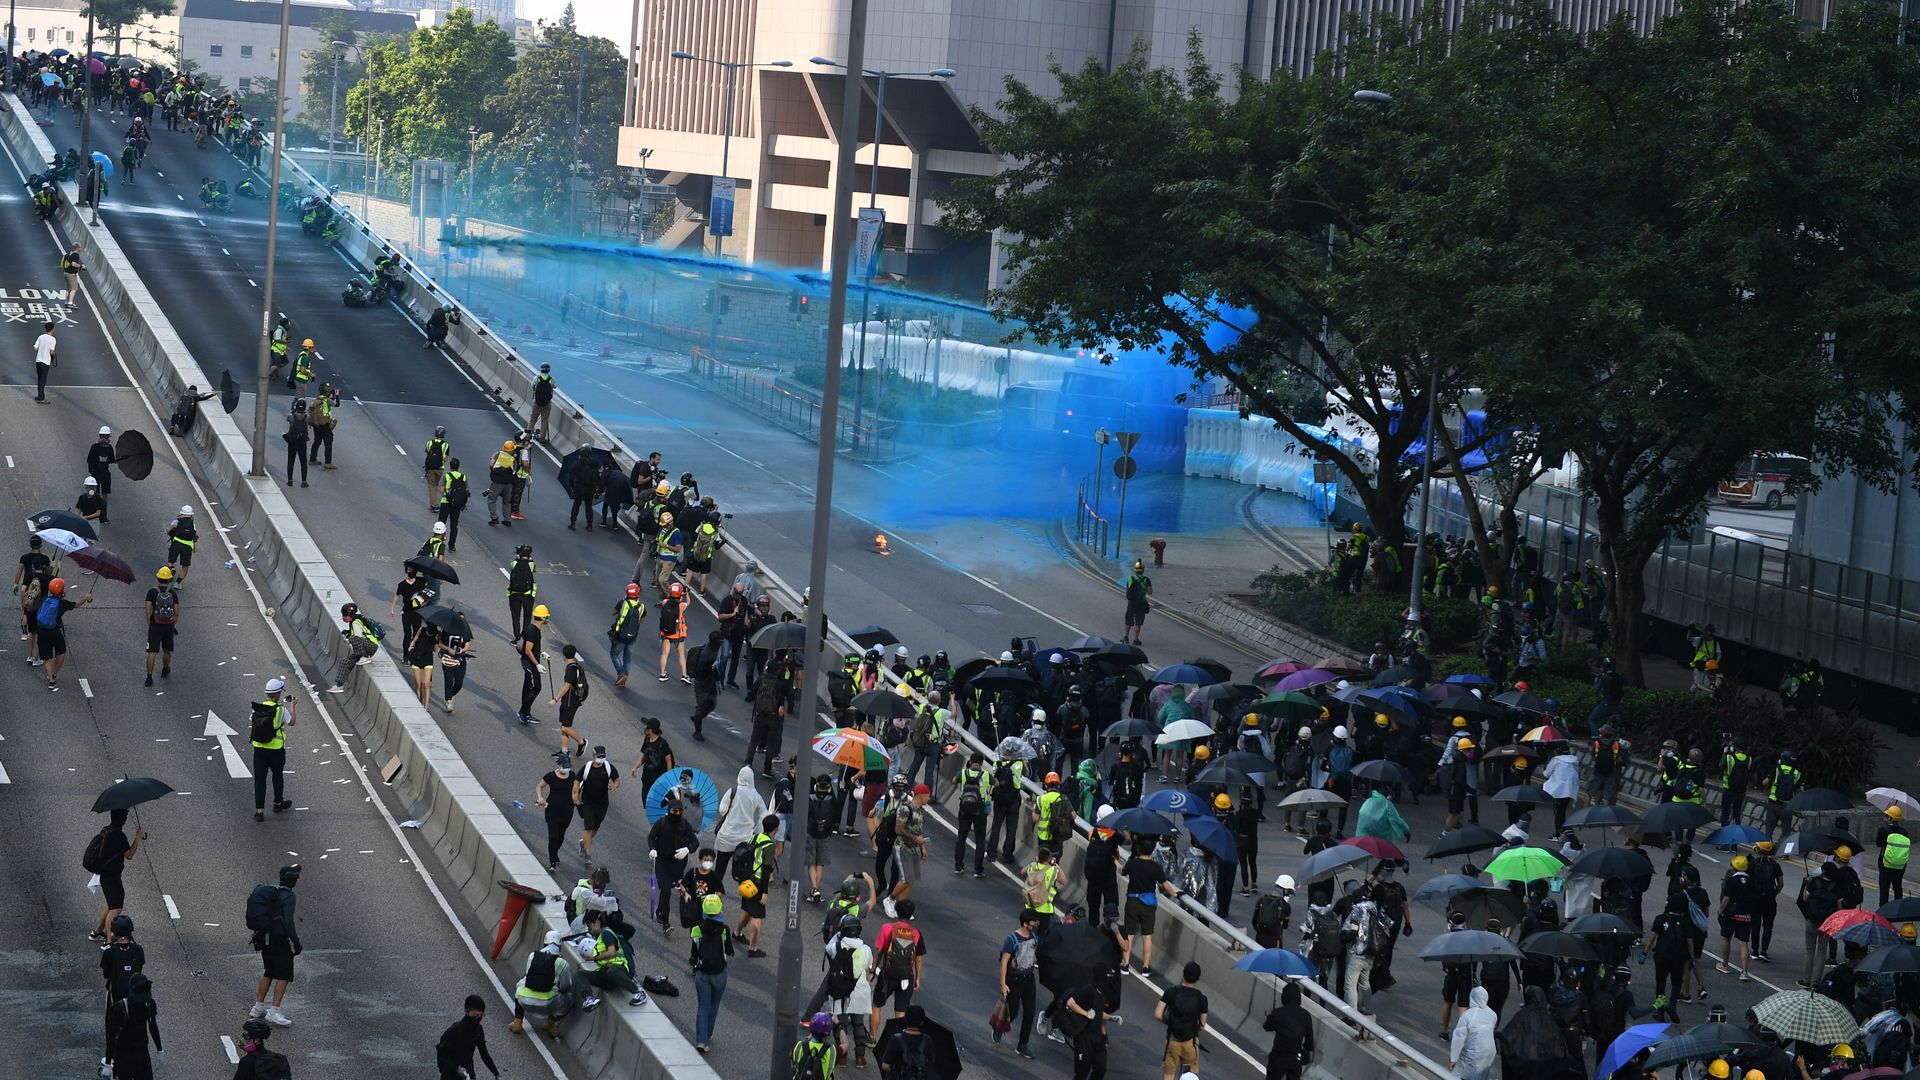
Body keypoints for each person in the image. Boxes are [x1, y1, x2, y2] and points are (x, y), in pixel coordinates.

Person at [250, 864, 301, 1027]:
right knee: (284, 975)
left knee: (269, 971)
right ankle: (274, 1011)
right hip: (279, 940)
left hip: (265, 938)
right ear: (293, 880)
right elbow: (288, 921)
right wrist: (295, 942)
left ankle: (257, 1007)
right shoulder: (288, 896)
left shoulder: (273, 893)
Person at [1121, 841, 1180, 975]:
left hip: (1132, 901)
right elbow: (1165, 886)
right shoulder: (1155, 867)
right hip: (1148, 904)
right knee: (1147, 936)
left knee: (1129, 934)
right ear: (1152, 850)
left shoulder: (1132, 863)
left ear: (1138, 849)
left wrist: (1131, 858)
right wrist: (1176, 894)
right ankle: (1145, 967)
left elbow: (1122, 872)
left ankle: (1125, 964)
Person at [87, 809, 142, 941]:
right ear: (122, 819)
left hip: (105, 873)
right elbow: (129, 855)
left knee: (112, 904)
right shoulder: (118, 835)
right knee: (116, 907)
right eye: (125, 816)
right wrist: (138, 838)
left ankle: (96, 932)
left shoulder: (107, 830)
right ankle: (109, 941)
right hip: (111, 876)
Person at [688, 892, 733, 1053]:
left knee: (703, 1006)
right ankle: (708, 1034)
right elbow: (729, 951)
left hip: (702, 973)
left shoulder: (696, 930)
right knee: (714, 1004)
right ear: (720, 910)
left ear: (704, 911)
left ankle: (701, 1040)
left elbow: (694, 955)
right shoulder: (725, 930)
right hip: (720, 973)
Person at [509, 930, 574, 1039]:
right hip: (548, 1003)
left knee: (521, 984)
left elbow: (528, 976)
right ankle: (550, 1024)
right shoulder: (562, 963)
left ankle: (517, 1022)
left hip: (523, 999)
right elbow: (565, 986)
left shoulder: (532, 956)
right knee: (570, 998)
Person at [997, 908, 1042, 1059]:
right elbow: (1004, 963)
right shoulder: (1012, 939)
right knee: (1013, 1011)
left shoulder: (1035, 938)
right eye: (1033, 921)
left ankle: (1022, 1045)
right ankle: (999, 1026)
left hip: (1029, 979)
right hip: (1014, 980)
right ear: (1025, 923)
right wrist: (1003, 983)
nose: (1036, 923)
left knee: (1030, 1013)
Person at [579, 909, 646, 1010]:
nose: (589, 930)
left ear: (597, 922)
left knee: (612, 971)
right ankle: (589, 999)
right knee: (580, 974)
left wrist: (594, 958)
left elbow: (611, 952)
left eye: (589, 926)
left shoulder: (606, 933)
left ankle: (638, 992)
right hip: (606, 975)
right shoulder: (598, 937)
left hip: (619, 970)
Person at [36, 575, 94, 689]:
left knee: (47, 657)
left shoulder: (44, 599)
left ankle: (51, 680)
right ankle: (54, 673)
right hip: (54, 632)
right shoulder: (62, 604)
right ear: (60, 591)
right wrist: (86, 597)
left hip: (42, 632)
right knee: (61, 651)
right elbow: (76, 604)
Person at [649, 795, 697, 932]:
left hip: (677, 865)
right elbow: (652, 837)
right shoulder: (661, 823)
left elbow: (695, 842)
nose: (677, 814)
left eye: (680, 811)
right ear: (669, 810)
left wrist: (687, 849)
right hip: (662, 863)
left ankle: (659, 910)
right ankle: (666, 923)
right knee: (665, 891)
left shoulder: (684, 825)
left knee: (667, 890)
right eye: (674, 811)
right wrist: (652, 849)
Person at [250, 678, 296, 820]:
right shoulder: (281, 710)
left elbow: (252, 719)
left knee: (260, 780)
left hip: (259, 749)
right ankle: (277, 803)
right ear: (278, 694)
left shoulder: (258, 708)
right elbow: (292, 722)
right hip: (276, 750)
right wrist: (293, 706)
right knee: (277, 776)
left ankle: (259, 811)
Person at [103, 973, 162, 1080]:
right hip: (126, 1055)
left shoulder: (147, 1004)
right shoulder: (121, 1008)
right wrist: (108, 1063)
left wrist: (160, 1050)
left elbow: (111, 1037)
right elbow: (111, 1036)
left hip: (137, 1053)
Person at [1156, 961, 1208, 1079]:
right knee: (1186, 1074)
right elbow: (1202, 1024)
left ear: (1183, 975)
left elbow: (1158, 1014)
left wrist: (1170, 1023)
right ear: (1198, 978)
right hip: (1190, 1042)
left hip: (1173, 1040)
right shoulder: (1201, 998)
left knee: (1169, 1073)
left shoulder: (1171, 992)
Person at [571, 745, 619, 867]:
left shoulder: (608, 767)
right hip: (588, 802)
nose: (601, 759)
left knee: (595, 827)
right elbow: (577, 781)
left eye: (603, 756)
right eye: (599, 756)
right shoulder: (586, 768)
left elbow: (617, 780)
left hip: (602, 803)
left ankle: (584, 843)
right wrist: (575, 795)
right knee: (588, 828)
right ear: (593, 756)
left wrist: (614, 786)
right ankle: (588, 854)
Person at [434, 995, 499, 1080]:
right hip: (450, 1075)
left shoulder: (478, 1030)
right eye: (475, 1015)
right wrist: (457, 1068)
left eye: (481, 1016)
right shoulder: (454, 1031)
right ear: (466, 1011)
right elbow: (442, 1055)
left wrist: (497, 1074)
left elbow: (484, 1054)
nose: (478, 1018)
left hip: (468, 1073)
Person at [324, 603, 381, 694]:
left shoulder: (356, 622)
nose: (344, 618)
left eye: (345, 615)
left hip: (370, 646)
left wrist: (348, 639)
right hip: (364, 647)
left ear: (350, 615)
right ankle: (339, 686)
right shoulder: (354, 621)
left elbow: (358, 637)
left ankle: (365, 657)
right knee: (345, 661)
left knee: (353, 638)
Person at [534, 752, 576, 873]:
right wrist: (540, 798)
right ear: (558, 764)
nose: (566, 768)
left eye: (568, 766)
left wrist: (576, 800)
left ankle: (554, 852)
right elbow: (539, 786)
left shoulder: (572, 775)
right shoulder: (551, 776)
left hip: (567, 811)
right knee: (553, 836)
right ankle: (553, 862)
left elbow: (576, 790)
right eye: (564, 765)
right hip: (552, 810)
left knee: (561, 836)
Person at [1264, 980, 1314, 1080]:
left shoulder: (1279, 1012)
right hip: (1295, 1057)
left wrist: (1270, 1016)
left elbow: (1267, 1027)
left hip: (1279, 1056)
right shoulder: (1305, 1015)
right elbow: (1309, 1042)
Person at [140, 567, 181, 688]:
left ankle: (149, 677)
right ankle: (165, 669)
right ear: (169, 579)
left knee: (152, 651)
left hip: (155, 625)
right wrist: (173, 624)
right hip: (168, 625)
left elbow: (148, 611)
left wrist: (151, 624)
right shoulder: (173, 593)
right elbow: (177, 612)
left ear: (158, 578)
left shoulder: (152, 592)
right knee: (167, 650)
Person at [1449, 986, 1497, 1080]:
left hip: (1473, 1052)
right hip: (1490, 1052)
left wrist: (1453, 1059)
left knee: (1459, 1073)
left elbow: (1458, 1038)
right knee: (1481, 1075)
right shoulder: (1492, 1014)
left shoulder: (1467, 1015)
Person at [549, 645, 589, 758]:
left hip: (571, 701)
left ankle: (582, 741)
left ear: (563, 654)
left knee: (565, 727)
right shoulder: (575, 666)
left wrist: (555, 700)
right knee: (563, 724)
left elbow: (567, 687)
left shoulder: (571, 669)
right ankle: (564, 751)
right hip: (569, 699)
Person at [877, 1004, 935, 1080]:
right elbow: (931, 1060)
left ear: (905, 1019)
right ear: (922, 1022)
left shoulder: (895, 1039)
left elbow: (885, 1066)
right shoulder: (927, 1040)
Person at [608, 582, 644, 689]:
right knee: (627, 658)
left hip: (621, 635)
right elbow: (641, 620)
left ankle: (621, 674)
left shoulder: (623, 603)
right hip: (633, 636)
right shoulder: (641, 606)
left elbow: (613, 612)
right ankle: (623, 679)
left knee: (614, 654)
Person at [517, 605, 549, 723]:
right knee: (536, 687)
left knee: (527, 687)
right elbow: (527, 650)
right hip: (529, 664)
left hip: (530, 662)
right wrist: (537, 665)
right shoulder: (533, 631)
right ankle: (523, 712)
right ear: (543, 618)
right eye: (546, 617)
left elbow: (532, 647)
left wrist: (541, 653)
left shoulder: (533, 628)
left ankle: (526, 712)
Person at [791, 1013, 839, 1080]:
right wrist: (838, 1024)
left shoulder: (799, 1046)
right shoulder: (832, 1050)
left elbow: (793, 1061)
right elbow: (845, 1044)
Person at [1880, 805, 1911, 904]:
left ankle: (1883, 910)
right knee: (1897, 887)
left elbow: (1878, 844)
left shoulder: (1883, 830)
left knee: (1884, 887)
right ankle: (1898, 907)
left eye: (1887, 815)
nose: (1885, 817)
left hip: (1885, 862)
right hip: (1900, 865)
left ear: (1890, 818)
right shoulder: (1904, 831)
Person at [86, 426, 116, 521]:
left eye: (106, 437)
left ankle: (103, 514)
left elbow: (111, 459)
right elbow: (89, 459)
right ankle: (93, 512)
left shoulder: (109, 448)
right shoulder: (95, 447)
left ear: (109, 437)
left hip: (105, 473)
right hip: (96, 473)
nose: (103, 439)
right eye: (102, 436)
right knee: (95, 493)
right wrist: (97, 465)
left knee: (105, 494)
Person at [307, 383, 338, 470]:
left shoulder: (317, 399)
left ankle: (312, 459)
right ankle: (328, 462)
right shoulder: (327, 400)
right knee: (328, 442)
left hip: (316, 424)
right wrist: (337, 396)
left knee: (317, 441)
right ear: (326, 392)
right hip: (324, 424)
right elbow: (337, 404)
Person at [1121, 559, 1152, 644]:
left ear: (1135, 570)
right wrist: (1144, 588)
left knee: (1128, 620)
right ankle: (1136, 639)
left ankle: (1126, 637)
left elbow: (1127, 591)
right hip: (1141, 603)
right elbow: (1150, 592)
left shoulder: (1130, 578)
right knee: (1138, 622)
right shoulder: (1146, 580)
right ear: (1143, 570)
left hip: (1131, 602)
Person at [164, 507, 198, 585]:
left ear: (182, 514)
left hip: (176, 544)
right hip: (187, 547)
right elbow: (195, 537)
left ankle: (171, 569)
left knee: (171, 561)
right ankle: (178, 583)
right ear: (191, 515)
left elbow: (168, 530)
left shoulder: (176, 522)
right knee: (185, 566)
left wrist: (172, 533)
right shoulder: (193, 525)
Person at [283, 398, 309, 487]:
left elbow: (288, 419)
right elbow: (310, 422)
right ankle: (304, 481)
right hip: (302, 442)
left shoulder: (291, 416)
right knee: (303, 462)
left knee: (291, 461)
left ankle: (290, 480)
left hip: (292, 441)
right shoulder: (307, 417)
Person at [424, 426, 451, 511]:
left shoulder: (429, 443)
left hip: (430, 468)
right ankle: (445, 501)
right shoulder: (446, 445)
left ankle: (434, 505)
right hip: (440, 469)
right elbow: (445, 459)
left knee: (432, 486)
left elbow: (428, 453)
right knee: (437, 485)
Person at [530, 363, 556, 441]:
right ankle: (542, 438)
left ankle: (528, 436)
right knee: (544, 420)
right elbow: (554, 386)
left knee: (532, 419)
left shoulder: (537, 378)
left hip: (536, 402)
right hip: (547, 403)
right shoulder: (551, 379)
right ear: (549, 370)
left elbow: (532, 386)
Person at [33, 321, 57, 403]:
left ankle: (40, 396)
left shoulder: (41, 337)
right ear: (53, 329)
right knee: (43, 380)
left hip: (38, 360)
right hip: (45, 362)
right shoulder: (53, 339)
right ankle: (41, 398)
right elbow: (51, 352)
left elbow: (35, 348)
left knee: (40, 379)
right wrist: (54, 354)